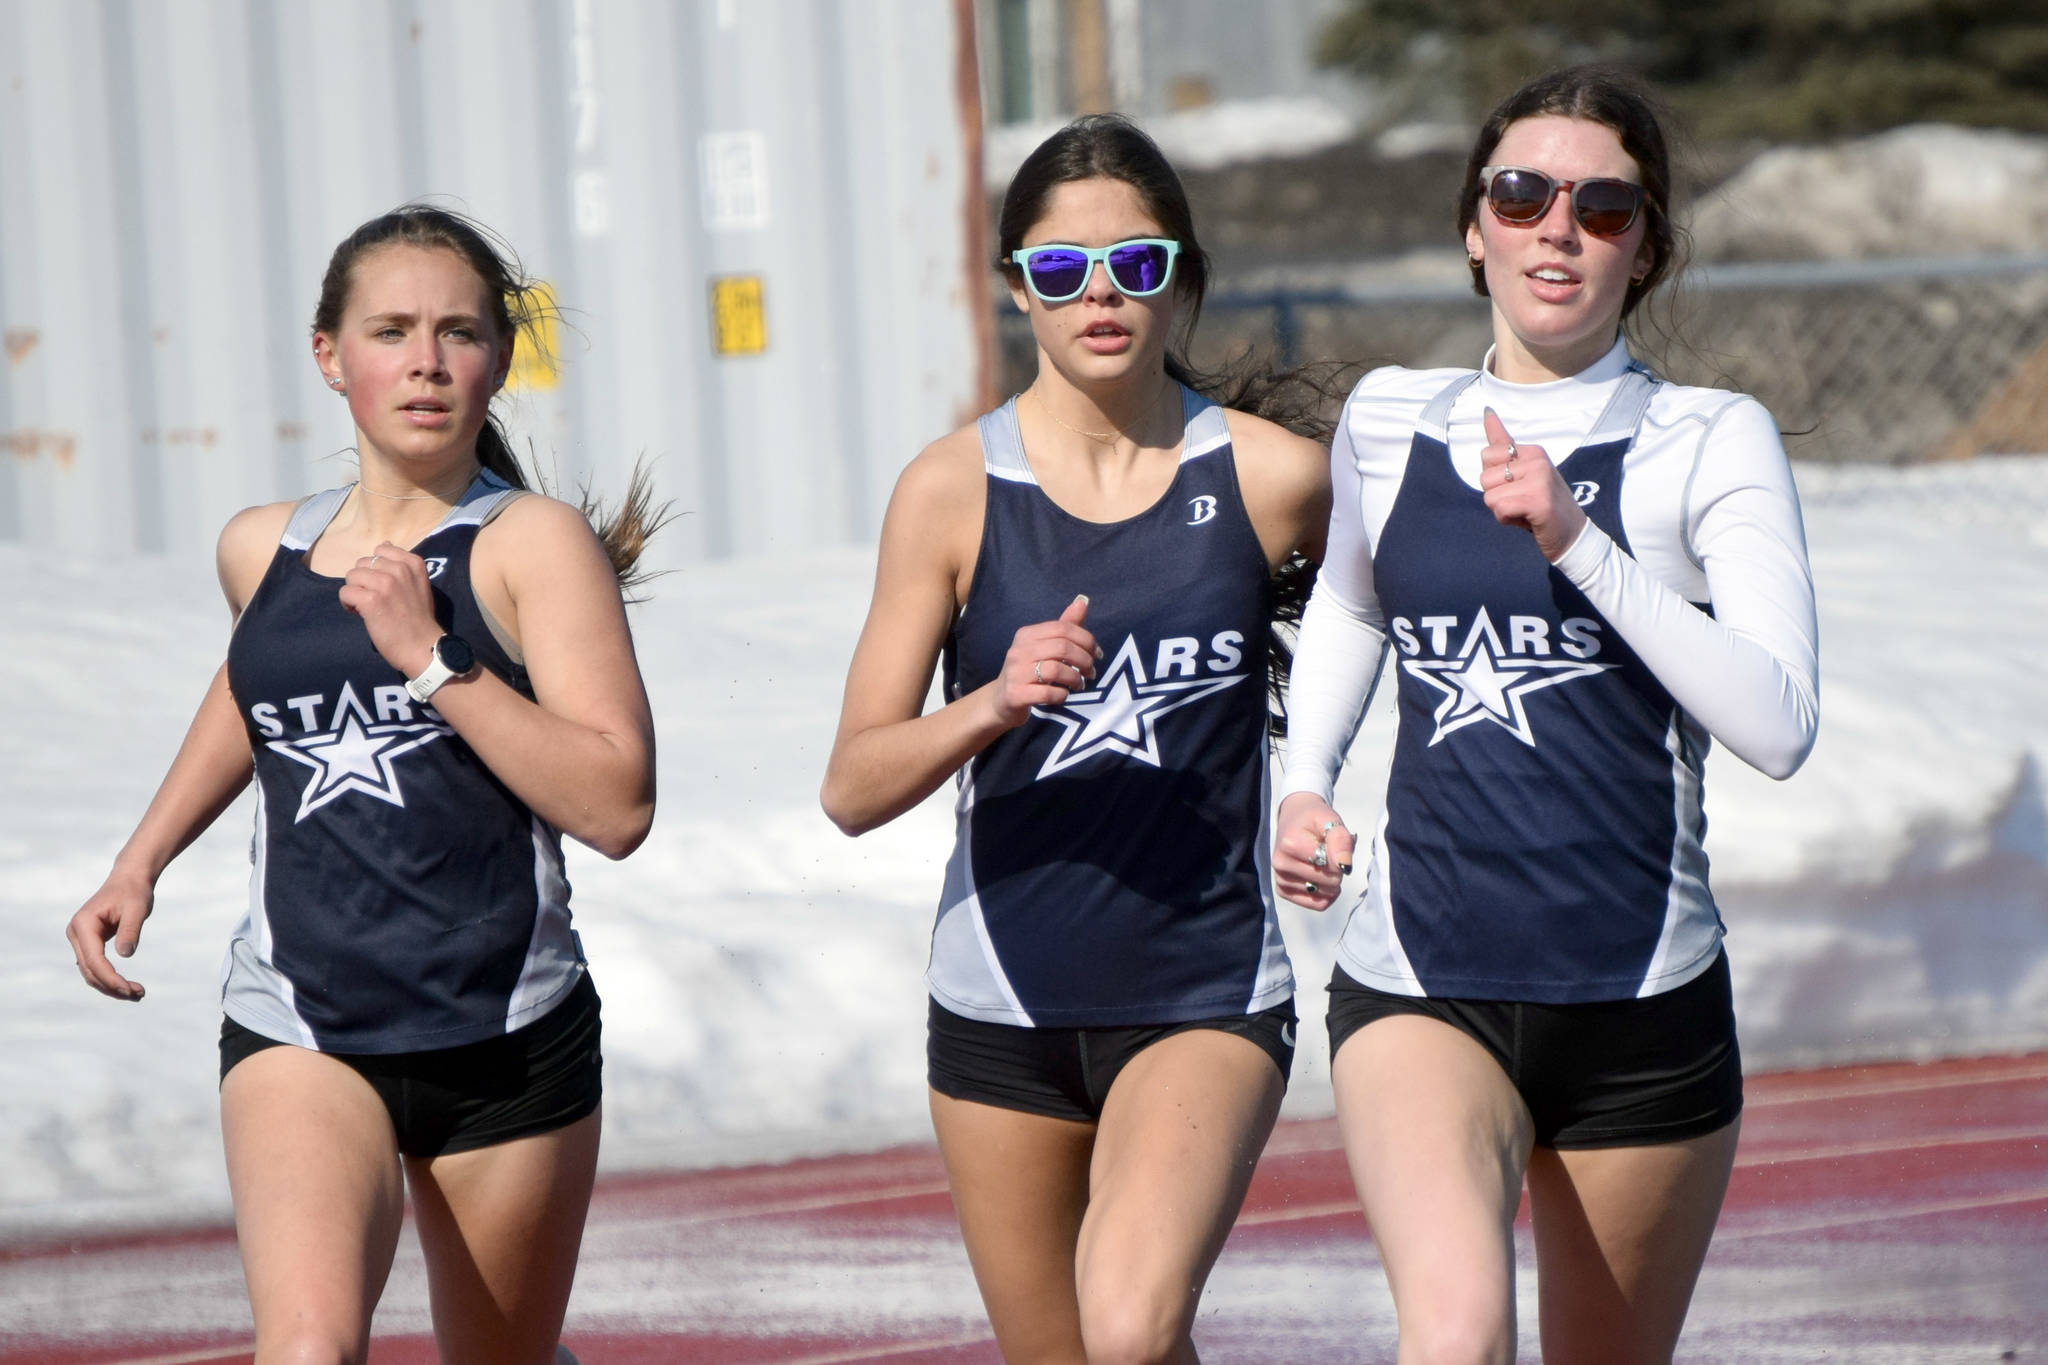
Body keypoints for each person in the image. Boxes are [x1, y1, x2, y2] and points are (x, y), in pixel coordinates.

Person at [1273, 66, 1820, 1364]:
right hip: (1424, 983)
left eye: (1604, 206)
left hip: (1642, 998)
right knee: (1455, 1336)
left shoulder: (1710, 439)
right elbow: (1352, 606)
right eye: (1521, 195)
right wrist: (1306, 782)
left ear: (1648, 247)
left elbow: (1780, 722)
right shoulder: (1392, 419)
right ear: (1476, 228)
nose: (1557, 227)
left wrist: (1582, 543)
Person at [65, 206, 661, 1365]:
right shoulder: (261, 547)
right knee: (306, 1352)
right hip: (301, 1027)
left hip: (503, 1039)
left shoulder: (531, 547)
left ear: (497, 358)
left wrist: (435, 662)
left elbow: (616, 806)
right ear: (331, 356)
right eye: (391, 331)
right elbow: (257, 692)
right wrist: (139, 861)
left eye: (459, 332)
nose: (427, 363)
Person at [821, 114, 1331, 1364]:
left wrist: (1316, 794)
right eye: (1059, 271)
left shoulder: (1277, 481)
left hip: (1202, 992)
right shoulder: (948, 490)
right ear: (1015, 291)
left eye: (1134, 265)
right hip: (999, 1002)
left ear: (1182, 279)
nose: (1099, 295)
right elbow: (850, 784)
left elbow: (1398, 638)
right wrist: (990, 701)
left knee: (1128, 1320)